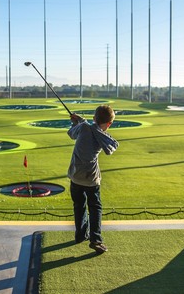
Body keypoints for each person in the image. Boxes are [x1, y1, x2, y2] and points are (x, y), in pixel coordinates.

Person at [67, 104, 119, 254]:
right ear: (109, 123)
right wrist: (81, 121)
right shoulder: (100, 134)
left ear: (94, 117)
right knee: (95, 208)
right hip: (91, 178)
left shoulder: (84, 127)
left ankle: (80, 235)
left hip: (76, 176)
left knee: (79, 205)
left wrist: (77, 122)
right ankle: (95, 239)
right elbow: (98, 132)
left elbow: (72, 133)